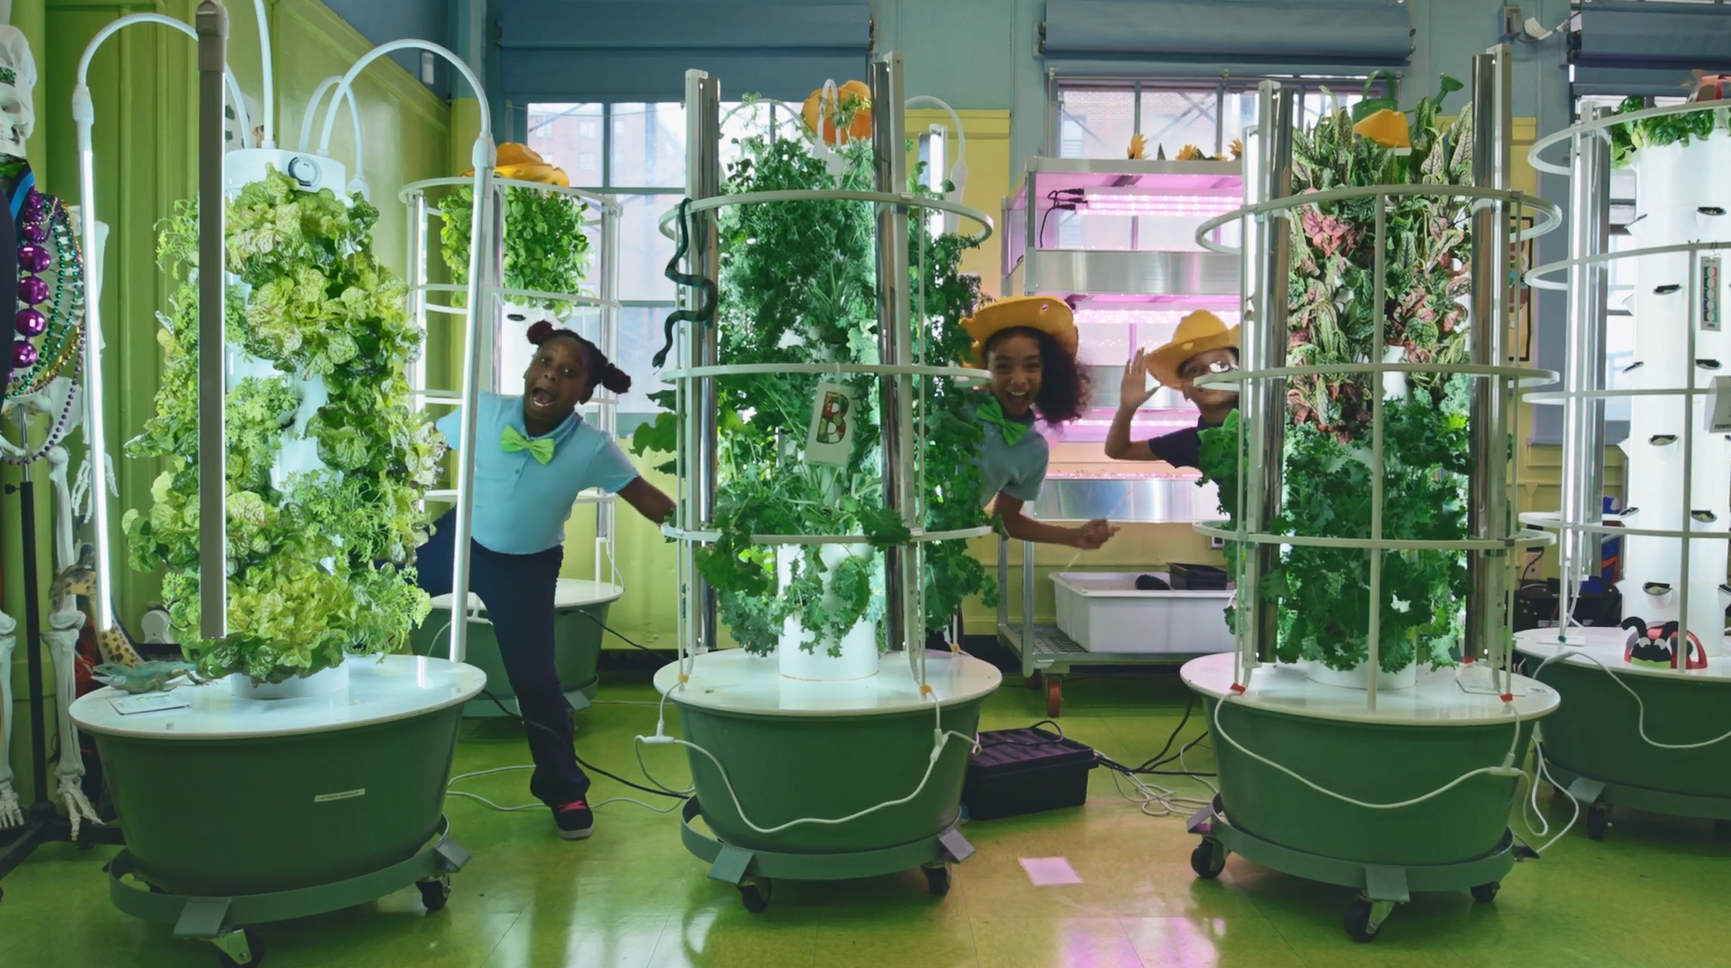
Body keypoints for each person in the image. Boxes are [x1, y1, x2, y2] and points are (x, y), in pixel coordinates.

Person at [419, 320, 675, 840]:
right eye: (545, 363)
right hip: (460, 539)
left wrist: (702, 528)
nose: (552, 376)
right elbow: (427, 445)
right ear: (528, 366)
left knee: (536, 680)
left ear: (584, 390)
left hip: (527, 566)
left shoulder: (591, 447)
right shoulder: (486, 411)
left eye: (568, 372)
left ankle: (564, 789)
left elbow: (646, 498)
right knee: (380, 590)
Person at [928, 297, 1120, 649]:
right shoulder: (951, 408)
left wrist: (1073, 537)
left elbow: (1008, 520)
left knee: (944, 657)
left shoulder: (1033, 451)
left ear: (1049, 373)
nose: (1018, 379)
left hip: (941, 565)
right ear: (984, 368)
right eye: (1003, 366)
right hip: (895, 544)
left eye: (1031, 366)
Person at [1105, 310, 1240, 470]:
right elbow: (1118, 450)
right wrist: (1127, 408)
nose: (1208, 374)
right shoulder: (1193, 443)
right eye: (1194, 370)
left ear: (1241, 372)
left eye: (1221, 365)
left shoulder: (1265, 417)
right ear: (1184, 389)